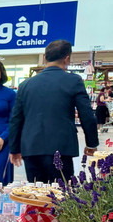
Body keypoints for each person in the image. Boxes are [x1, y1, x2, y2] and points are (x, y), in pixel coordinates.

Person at [8, 40, 98, 182]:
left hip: (31, 148)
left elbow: (16, 119)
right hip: (62, 147)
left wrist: (14, 148)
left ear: (45, 58)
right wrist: (91, 143)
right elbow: (86, 115)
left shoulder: (25, 85)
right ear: (67, 58)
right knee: (61, 197)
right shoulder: (73, 81)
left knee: (35, 195)